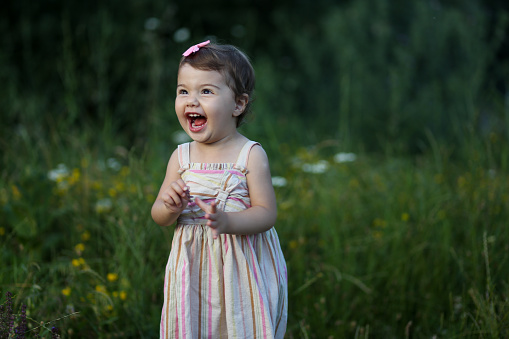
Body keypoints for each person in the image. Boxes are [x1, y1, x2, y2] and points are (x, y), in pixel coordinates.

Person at [151, 40, 288, 339]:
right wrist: (169, 207)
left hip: (241, 269)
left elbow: (266, 213)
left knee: (241, 326)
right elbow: (159, 215)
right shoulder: (181, 157)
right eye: (183, 91)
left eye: (206, 91)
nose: (191, 101)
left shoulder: (249, 155)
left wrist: (228, 222)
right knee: (192, 327)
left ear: (238, 103)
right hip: (192, 273)